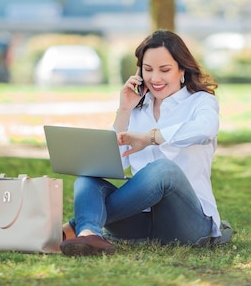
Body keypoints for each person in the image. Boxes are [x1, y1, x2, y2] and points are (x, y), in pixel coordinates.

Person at [59, 29, 232, 257]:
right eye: (148, 70)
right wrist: (124, 110)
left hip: (186, 224)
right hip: (136, 223)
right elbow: (116, 165)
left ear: (182, 69)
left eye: (165, 70)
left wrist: (151, 138)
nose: (155, 79)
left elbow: (205, 129)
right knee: (88, 179)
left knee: (164, 170)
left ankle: (75, 226)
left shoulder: (201, 101)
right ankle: (88, 233)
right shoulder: (138, 107)